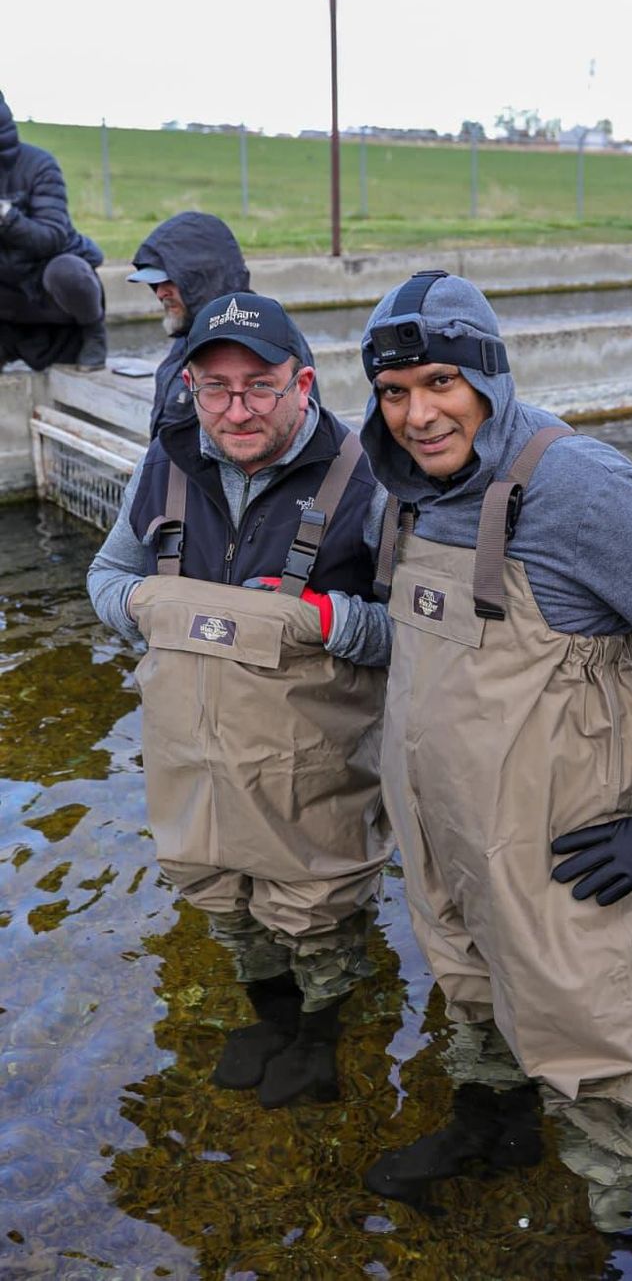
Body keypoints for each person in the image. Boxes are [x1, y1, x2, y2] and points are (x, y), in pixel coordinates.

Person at [356, 269, 632, 1198]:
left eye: (441, 384)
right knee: (468, 992)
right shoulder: (400, 487)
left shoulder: (576, 490)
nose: (417, 415)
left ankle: (615, 1215)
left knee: (593, 1045)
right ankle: (494, 1130)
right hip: (448, 839)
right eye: (394, 391)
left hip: (563, 856)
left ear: (490, 377)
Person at [87, 292, 392, 1108]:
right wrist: (156, 608)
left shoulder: (370, 479)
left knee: (320, 916)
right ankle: (271, 1015)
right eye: (214, 388)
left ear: (305, 382)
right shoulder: (166, 461)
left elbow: (417, 632)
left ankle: (321, 1037)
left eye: (259, 386)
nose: (236, 409)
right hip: (192, 763)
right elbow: (107, 577)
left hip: (313, 773)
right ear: (189, 386)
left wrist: (326, 618)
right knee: (222, 900)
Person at [127, 209, 319, 437]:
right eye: (155, 284)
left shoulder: (271, 337)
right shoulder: (192, 335)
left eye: (169, 281)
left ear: (201, 277)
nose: (160, 293)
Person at [0, 90, 107, 371]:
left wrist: (6, 216)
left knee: (68, 271)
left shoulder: (38, 165)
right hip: (7, 295)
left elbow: (51, 237)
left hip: (46, 280)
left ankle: (93, 334)